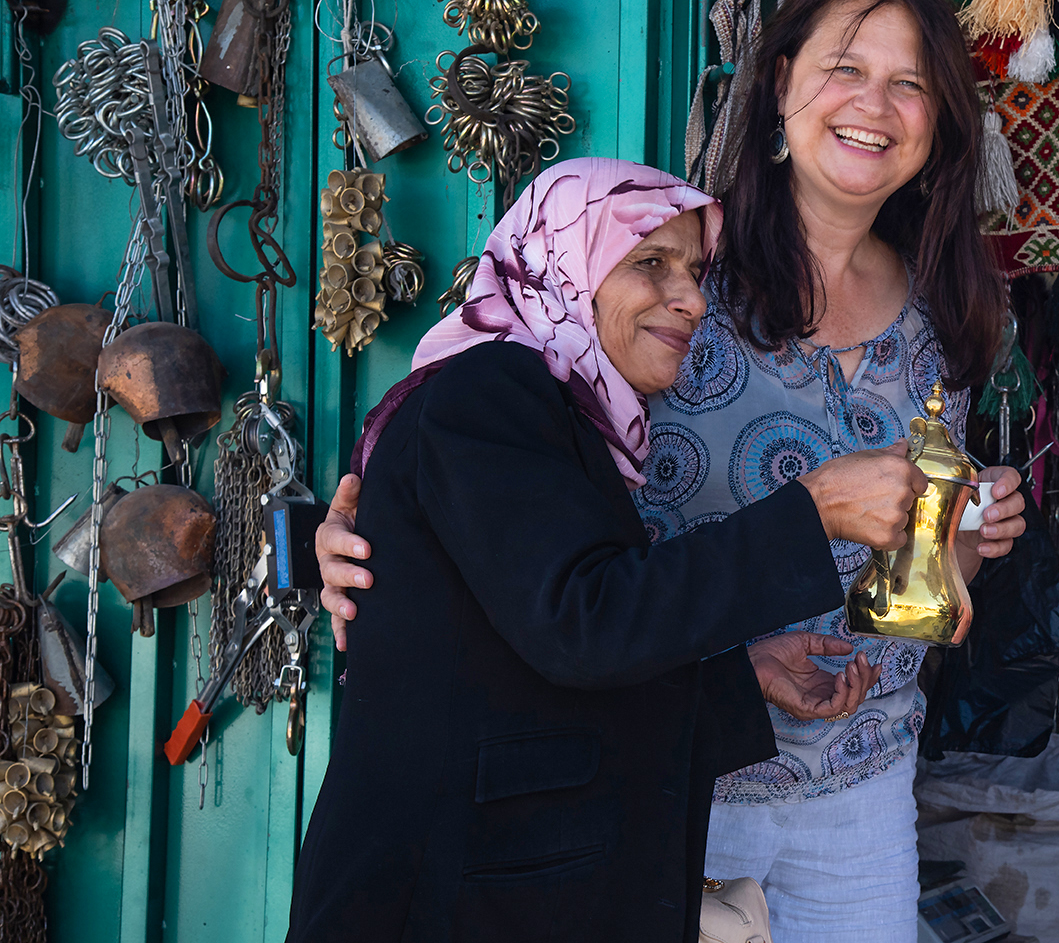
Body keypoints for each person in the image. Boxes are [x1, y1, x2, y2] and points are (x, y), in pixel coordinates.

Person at [315, 0, 1027, 943]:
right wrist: (352, 535)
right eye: (846, 68)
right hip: (671, 774)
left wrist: (959, 545)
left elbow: (921, 596)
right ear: (778, 83)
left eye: (910, 82)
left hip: (861, 779)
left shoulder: (938, 312)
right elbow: (471, 449)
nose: (877, 104)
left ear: (942, 118)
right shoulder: (657, 270)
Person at [288, 158, 935, 943]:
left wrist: (742, 680)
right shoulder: (489, 392)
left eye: (695, 271)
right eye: (649, 263)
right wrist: (813, 510)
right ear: (563, 264)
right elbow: (580, 625)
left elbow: (518, 674)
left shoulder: (561, 417)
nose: (692, 299)